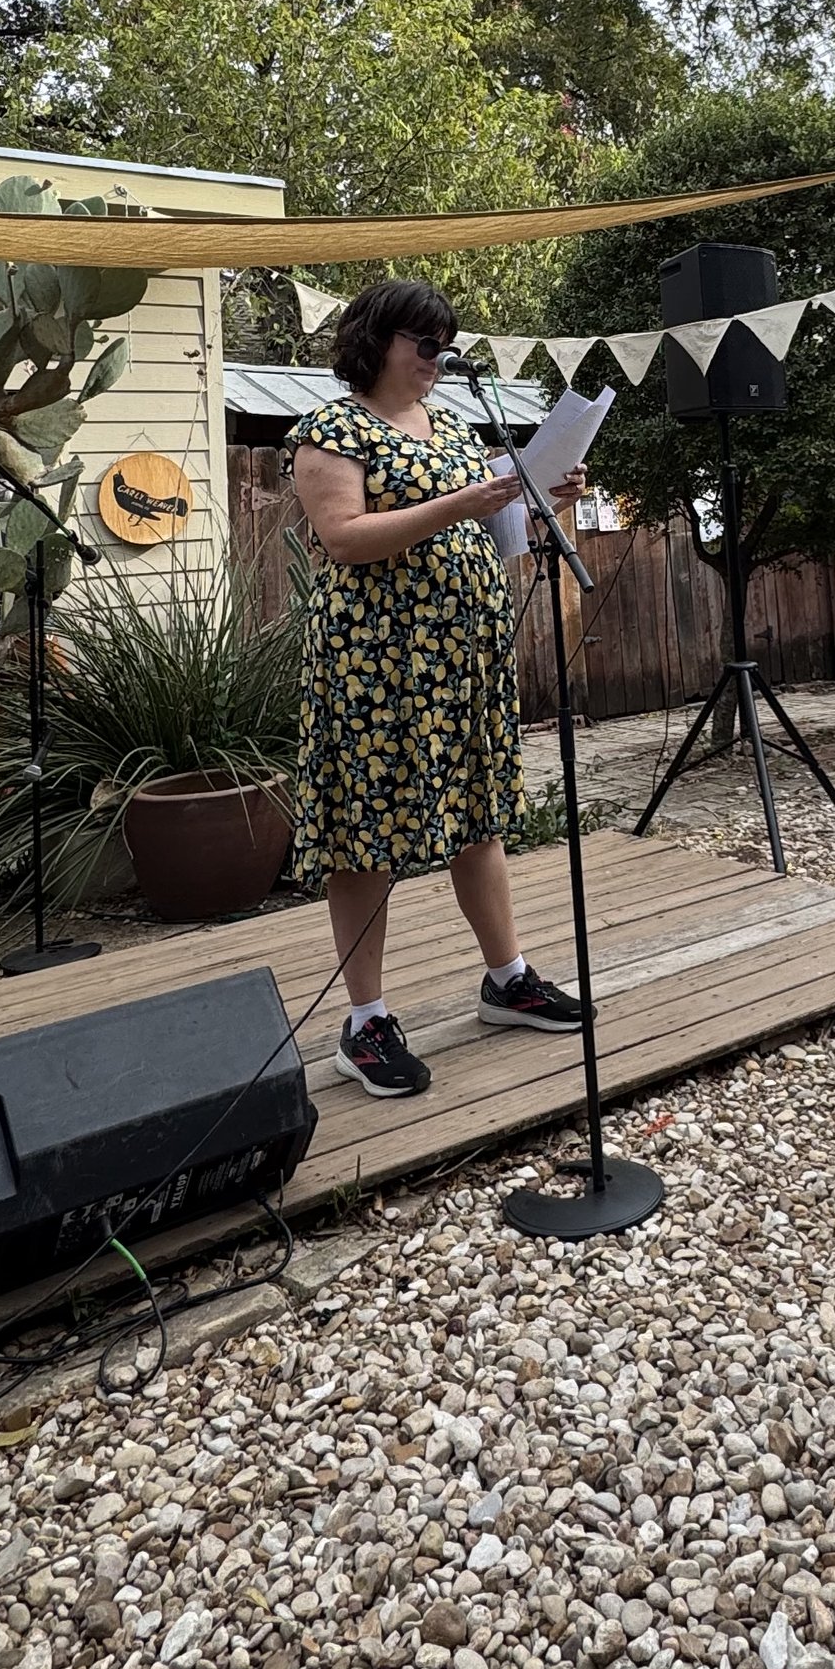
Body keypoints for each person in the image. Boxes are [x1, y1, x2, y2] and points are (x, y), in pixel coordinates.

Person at [288, 279, 587, 1099]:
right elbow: (344, 538)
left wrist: (540, 501)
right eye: (425, 344)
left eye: (446, 346)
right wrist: (463, 499)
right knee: (364, 835)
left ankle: (508, 978)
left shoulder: (452, 425)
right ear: (378, 341)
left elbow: (496, 533)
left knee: (476, 814)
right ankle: (366, 1022)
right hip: (374, 666)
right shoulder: (332, 429)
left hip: (462, 661)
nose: (438, 359)